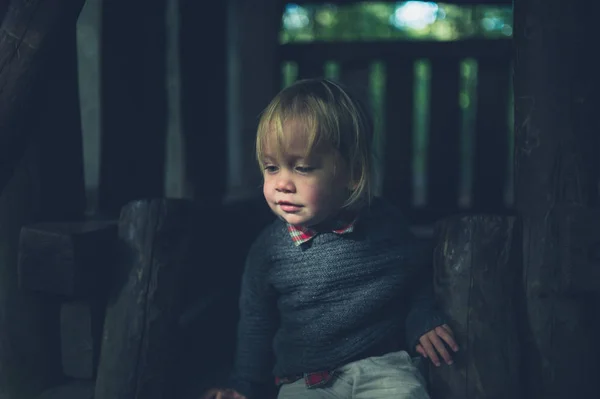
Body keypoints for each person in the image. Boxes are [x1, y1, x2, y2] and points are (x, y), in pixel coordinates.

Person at [202, 78, 458, 399]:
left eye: (303, 168)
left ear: (351, 173)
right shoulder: (268, 250)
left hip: (384, 367)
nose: (282, 183)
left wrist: (423, 320)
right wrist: (244, 386)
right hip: (306, 380)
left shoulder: (383, 223)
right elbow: (256, 324)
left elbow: (416, 279)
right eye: (271, 167)